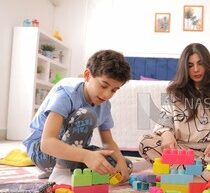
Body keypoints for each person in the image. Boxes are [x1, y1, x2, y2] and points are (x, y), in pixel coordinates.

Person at [138, 43, 210, 178]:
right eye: (190, 65)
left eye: (200, 63)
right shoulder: (174, 93)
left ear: (207, 65)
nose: (196, 69)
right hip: (181, 150)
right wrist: (167, 135)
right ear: (185, 68)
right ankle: (204, 170)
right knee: (145, 142)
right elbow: (163, 122)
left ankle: (189, 168)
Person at [23, 49, 133, 184]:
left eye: (114, 90)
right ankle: (60, 172)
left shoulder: (105, 105)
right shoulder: (65, 95)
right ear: (87, 75)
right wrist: (86, 156)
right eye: (104, 85)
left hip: (74, 152)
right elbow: (47, 144)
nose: (107, 95)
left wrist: (120, 161)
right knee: (87, 114)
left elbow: (108, 142)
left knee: (124, 166)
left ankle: (66, 170)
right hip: (42, 152)